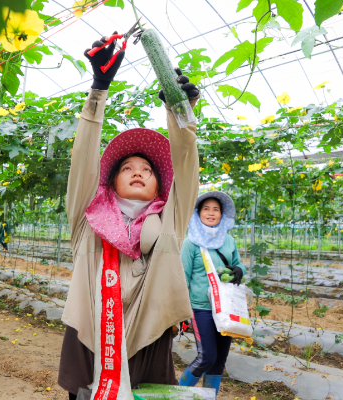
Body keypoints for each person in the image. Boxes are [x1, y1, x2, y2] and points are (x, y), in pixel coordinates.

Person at [58, 33, 200, 399]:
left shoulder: (169, 223)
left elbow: (186, 163)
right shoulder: (88, 219)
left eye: (147, 170)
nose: (138, 172)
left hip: (147, 339)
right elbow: (82, 161)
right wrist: (98, 90)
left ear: (158, 187)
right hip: (90, 337)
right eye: (127, 168)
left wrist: (181, 114)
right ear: (111, 180)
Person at [179, 191, 247, 394]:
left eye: (216, 209)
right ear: (198, 213)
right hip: (201, 308)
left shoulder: (229, 241)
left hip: (225, 309)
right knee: (206, 357)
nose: (211, 213)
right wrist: (180, 312)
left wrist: (239, 269)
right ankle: (179, 393)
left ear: (222, 214)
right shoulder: (191, 242)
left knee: (219, 361)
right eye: (206, 209)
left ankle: (209, 397)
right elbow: (182, 278)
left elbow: (237, 264)